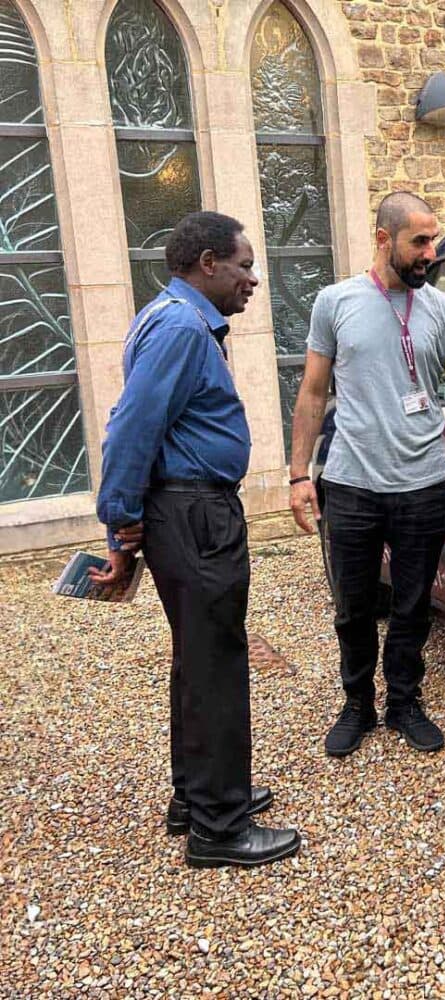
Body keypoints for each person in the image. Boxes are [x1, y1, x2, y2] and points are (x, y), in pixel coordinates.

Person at [289, 192, 445, 756]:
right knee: (353, 605)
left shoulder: (442, 310)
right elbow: (312, 391)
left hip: (423, 487)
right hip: (351, 486)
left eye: (434, 240)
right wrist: (300, 474)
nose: (431, 253)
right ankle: (356, 705)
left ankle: (403, 701)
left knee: (413, 604)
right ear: (383, 238)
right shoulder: (336, 303)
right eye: (419, 242)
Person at [94, 211, 300, 869]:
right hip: (195, 515)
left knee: (197, 658)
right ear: (207, 263)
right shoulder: (182, 328)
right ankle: (219, 828)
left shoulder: (167, 318)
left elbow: (143, 423)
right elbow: (130, 427)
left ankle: (197, 798)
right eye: (243, 265)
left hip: (183, 513)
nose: (252, 279)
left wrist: (128, 524)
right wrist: (117, 524)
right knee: (215, 665)